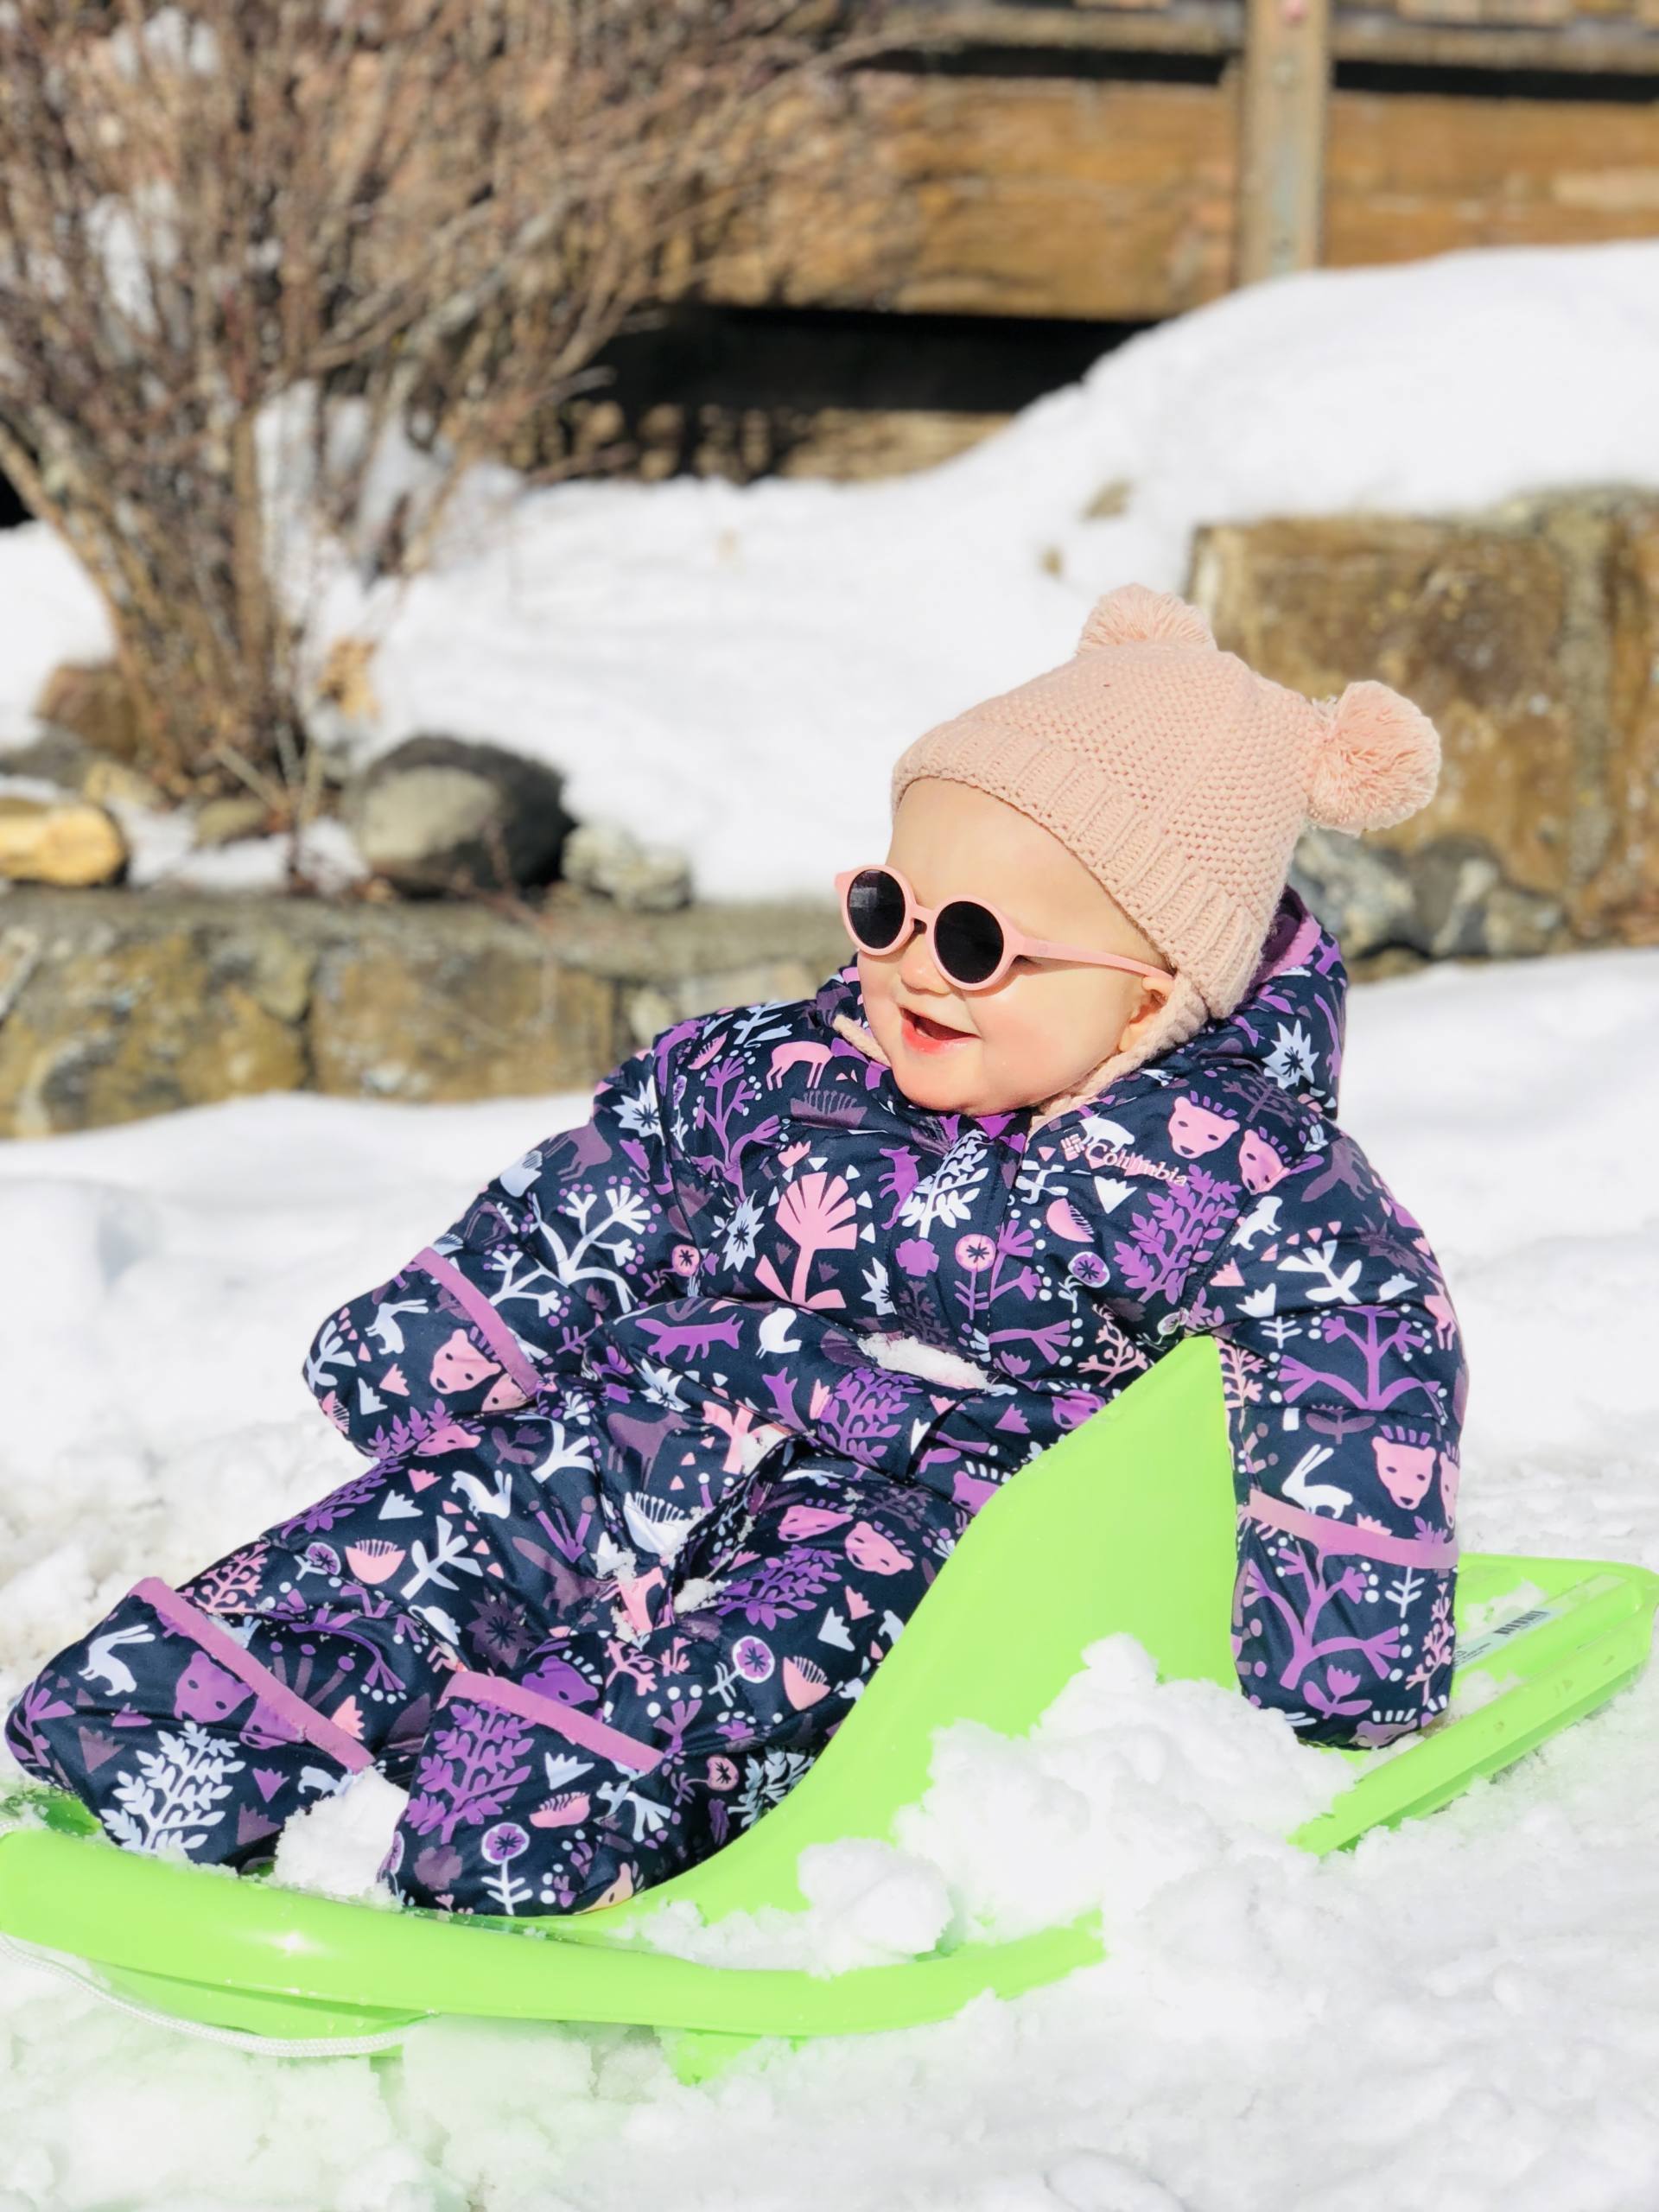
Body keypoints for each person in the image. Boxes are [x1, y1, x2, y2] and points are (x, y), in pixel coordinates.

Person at [4, 583, 1466, 1917]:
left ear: (1152, 998)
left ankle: (523, 1830)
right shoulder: (781, 1072)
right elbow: (619, 1179)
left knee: (729, 1664)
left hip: (931, 1507)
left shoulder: (1233, 1165)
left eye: (974, 944)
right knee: (449, 1527)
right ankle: (175, 1726)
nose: (911, 969)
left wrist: (1334, 1653)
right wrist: (440, 1346)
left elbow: (1359, 1343)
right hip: (676, 1408)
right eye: (886, 910)